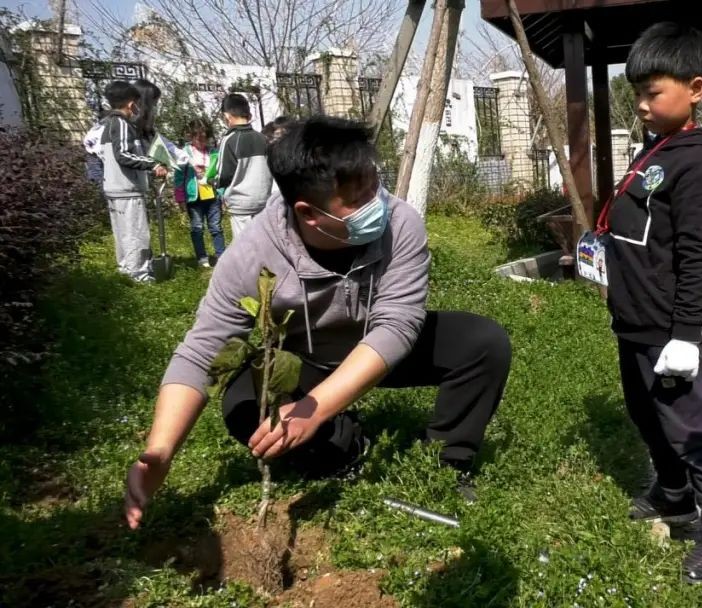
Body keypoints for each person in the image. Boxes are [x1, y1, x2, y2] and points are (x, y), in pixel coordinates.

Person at [123, 116, 511, 529]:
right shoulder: (253, 253)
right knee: (243, 407)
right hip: (308, 358)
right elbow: (202, 350)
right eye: (359, 199)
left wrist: (313, 408)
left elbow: (397, 326)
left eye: (374, 185)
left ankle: (449, 460)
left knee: (483, 343)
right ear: (308, 212)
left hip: (388, 351)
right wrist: (161, 450)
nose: (376, 204)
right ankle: (345, 448)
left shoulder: (400, 224)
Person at [604, 22, 702, 584]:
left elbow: (694, 254)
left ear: (696, 88)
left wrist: (686, 334)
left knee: (690, 425)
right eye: (636, 92)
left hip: (666, 326)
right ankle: (675, 494)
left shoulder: (698, 162)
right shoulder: (656, 149)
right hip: (633, 318)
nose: (640, 103)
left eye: (652, 92)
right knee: (645, 411)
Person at [99, 80, 168, 283]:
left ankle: (127, 269)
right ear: (131, 104)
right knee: (135, 233)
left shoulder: (108, 123)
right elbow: (123, 155)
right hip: (126, 189)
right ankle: (139, 274)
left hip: (115, 189)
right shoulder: (120, 124)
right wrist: (153, 165)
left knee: (123, 233)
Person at [216, 94, 273, 238]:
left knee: (244, 245)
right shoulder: (262, 138)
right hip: (262, 200)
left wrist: (215, 184)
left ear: (227, 117)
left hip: (241, 203)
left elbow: (224, 174)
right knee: (262, 239)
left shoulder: (229, 139)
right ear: (249, 114)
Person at [174, 118, 225, 268]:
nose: (202, 141)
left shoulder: (214, 153)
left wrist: (221, 193)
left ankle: (221, 255)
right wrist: (180, 198)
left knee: (216, 226)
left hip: (212, 195)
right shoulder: (184, 153)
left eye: (205, 138)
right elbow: (178, 176)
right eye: (199, 138)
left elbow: (220, 174)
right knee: (197, 227)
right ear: (191, 136)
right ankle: (202, 257)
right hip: (194, 197)